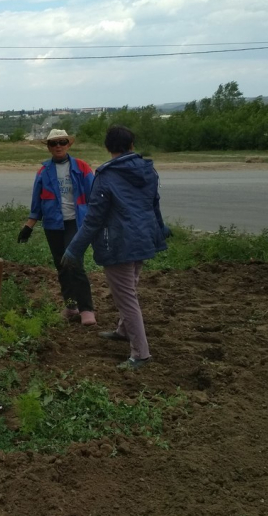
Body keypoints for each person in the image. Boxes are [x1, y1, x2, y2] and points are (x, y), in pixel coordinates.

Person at [61, 125, 169, 370]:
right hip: (143, 238)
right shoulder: (148, 170)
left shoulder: (107, 176)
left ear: (108, 147)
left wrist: (74, 249)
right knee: (130, 288)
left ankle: (141, 353)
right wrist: (160, 230)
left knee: (126, 298)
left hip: (119, 243)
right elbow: (154, 205)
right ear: (131, 146)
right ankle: (123, 331)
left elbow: (94, 219)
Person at [18, 129, 96, 325]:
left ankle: (87, 310)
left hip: (76, 223)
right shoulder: (44, 171)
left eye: (62, 142)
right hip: (53, 224)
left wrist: (99, 221)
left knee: (74, 263)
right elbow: (37, 200)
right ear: (49, 147)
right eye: (54, 143)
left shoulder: (82, 167)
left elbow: (95, 195)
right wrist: (29, 225)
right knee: (61, 266)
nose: (58, 146)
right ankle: (71, 307)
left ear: (69, 144)